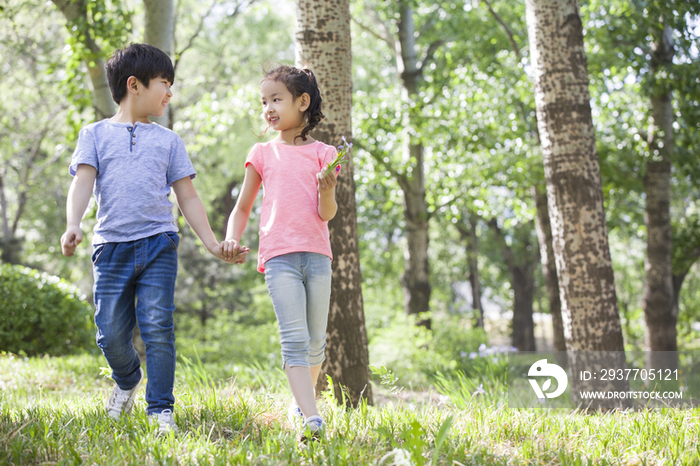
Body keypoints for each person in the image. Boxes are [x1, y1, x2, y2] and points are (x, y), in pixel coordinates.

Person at [60, 43, 246, 434]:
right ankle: (127, 379)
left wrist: (213, 243)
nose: (169, 92)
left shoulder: (168, 141)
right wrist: (73, 223)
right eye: (164, 82)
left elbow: (188, 197)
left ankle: (160, 409)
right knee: (109, 333)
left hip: (159, 242)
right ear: (134, 85)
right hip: (110, 247)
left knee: (158, 325)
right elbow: (82, 183)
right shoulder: (93, 134)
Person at [221, 65, 339, 442]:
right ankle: (312, 417)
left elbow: (326, 214)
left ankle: (300, 405)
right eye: (264, 101)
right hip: (279, 257)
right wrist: (230, 238)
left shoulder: (325, 153)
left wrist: (326, 189)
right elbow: (242, 207)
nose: (268, 108)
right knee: (293, 338)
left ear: (302, 102)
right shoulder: (262, 153)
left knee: (316, 341)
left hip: (318, 257)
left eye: (276, 99)